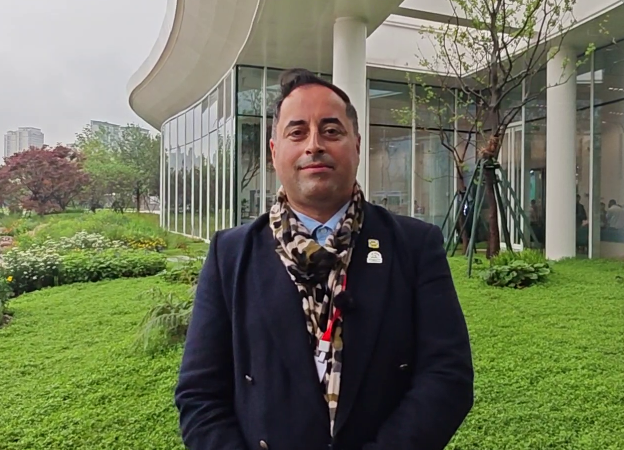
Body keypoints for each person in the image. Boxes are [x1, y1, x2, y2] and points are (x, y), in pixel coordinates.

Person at [174, 69, 474, 450]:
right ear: (274, 151)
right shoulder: (230, 256)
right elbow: (199, 395)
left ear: (357, 145)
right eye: (297, 132)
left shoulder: (414, 247)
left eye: (331, 131)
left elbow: (447, 376)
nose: (314, 145)